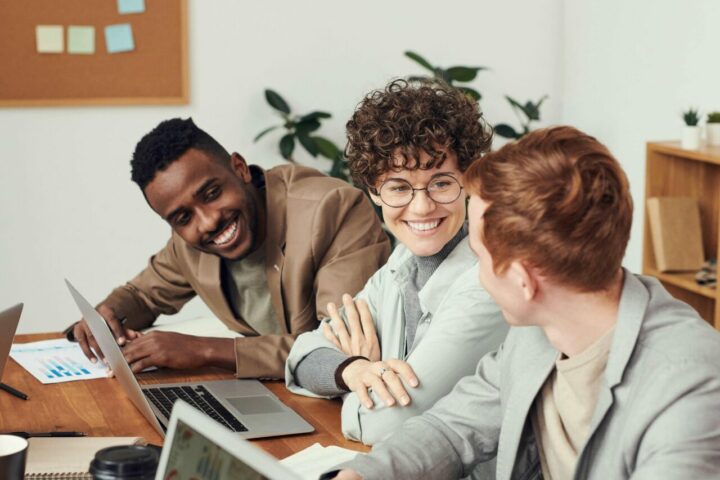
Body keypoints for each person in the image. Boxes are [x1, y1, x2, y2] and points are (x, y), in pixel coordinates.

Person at [329, 126, 720, 479]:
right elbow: (449, 431)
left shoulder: (690, 386)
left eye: (479, 256)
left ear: (523, 281)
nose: (474, 270)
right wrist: (361, 476)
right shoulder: (535, 334)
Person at [66, 118, 390, 379]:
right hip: (277, 394)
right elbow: (141, 296)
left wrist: (206, 351)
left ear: (239, 168)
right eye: (182, 217)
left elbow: (339, 348)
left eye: (211, 193)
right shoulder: (188, 244)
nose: (206, 222)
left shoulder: (331, 209)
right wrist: (108, 315)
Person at [285, 80, 508, 446]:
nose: (421, 207)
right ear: (374, 191)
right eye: (399, 187)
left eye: (440, 183)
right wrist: (355, 369)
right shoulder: (400, 265)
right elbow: (302, 354)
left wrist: (347, 379)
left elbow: (383, 426)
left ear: (468, 181)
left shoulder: (486, 286)